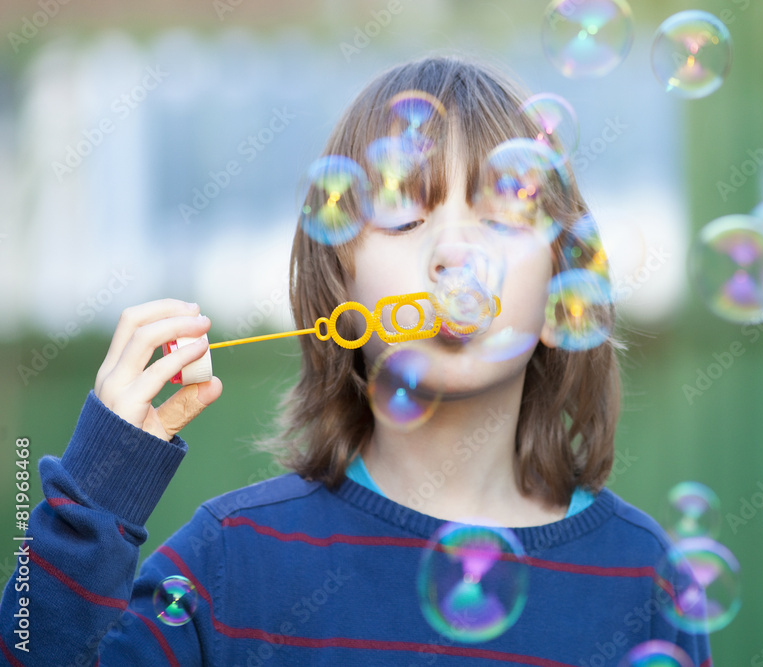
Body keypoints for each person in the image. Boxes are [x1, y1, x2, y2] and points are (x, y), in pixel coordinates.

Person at [1, 55, 711, 666]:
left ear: (563, 296)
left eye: (501, 213)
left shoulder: (643, 580)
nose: (454, 255)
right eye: (405, 214)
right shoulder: (233, 563)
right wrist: (92, 501)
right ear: (339, 288)